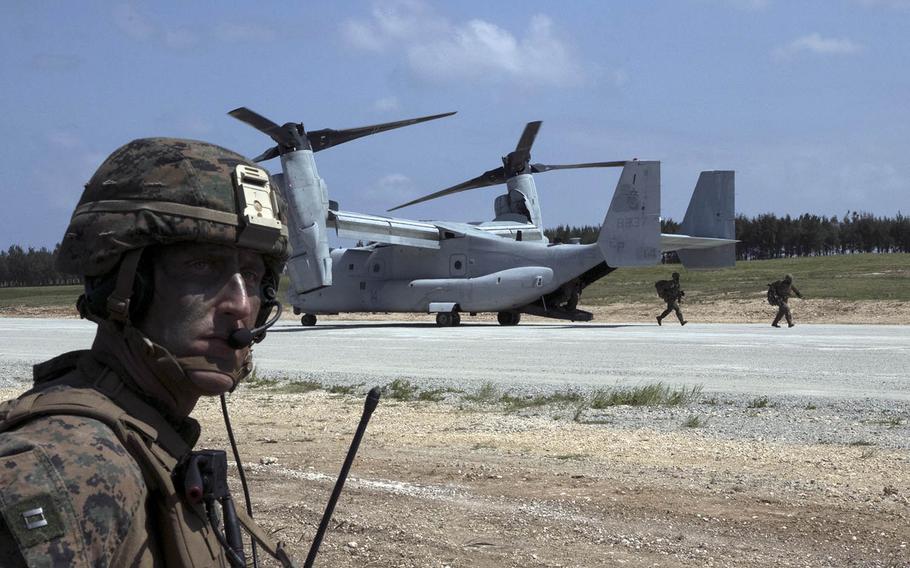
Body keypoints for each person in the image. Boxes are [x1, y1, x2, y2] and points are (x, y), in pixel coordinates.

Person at [0, 138, 296, 566]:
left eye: (251, 276)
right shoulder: (70, 469)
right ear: (125, 287)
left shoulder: (146, 442)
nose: (241, 304)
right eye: (202, 267)